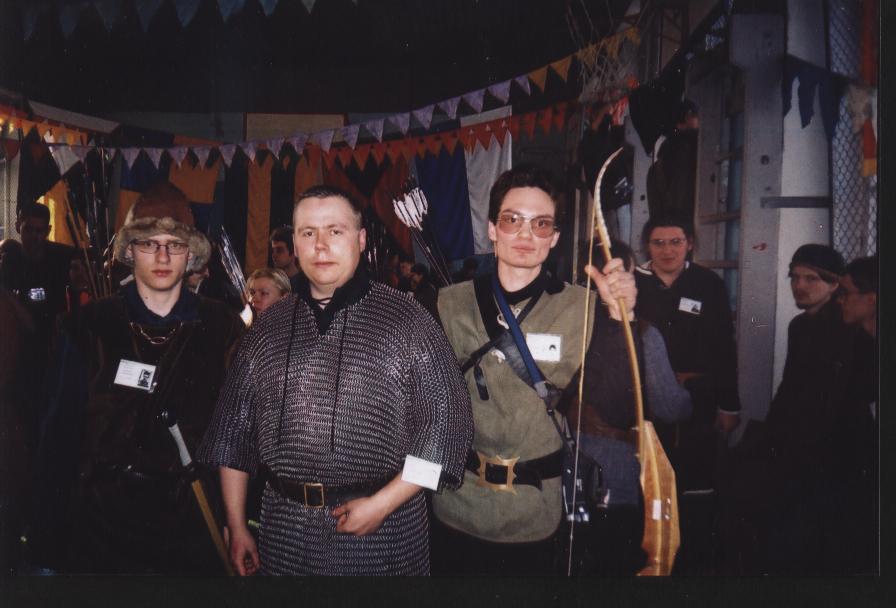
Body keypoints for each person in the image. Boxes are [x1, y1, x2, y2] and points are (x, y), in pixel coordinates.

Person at [198, 184, 473, 576]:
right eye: (308, 232)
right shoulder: (268, 328)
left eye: (335, 231)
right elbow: (233, 433)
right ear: (295, 244)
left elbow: (447, 430)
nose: (321, 245)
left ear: (360, 240)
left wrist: (383, 504)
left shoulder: (407, 321)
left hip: (383, 536)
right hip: (284, 532)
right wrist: (237, 523)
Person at [28, 181, 245, 574]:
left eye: (174, 244)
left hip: (191, 530)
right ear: (130, 251)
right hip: (103, 530)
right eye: (148, 243)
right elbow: (57, 439)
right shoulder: (86, 327)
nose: (162, 256)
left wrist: (236, 520)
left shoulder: (222, 328)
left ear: (190, 254)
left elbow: (237, 437)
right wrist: (47, 542)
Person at [430, 165, 637, 575]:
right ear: (492, 229)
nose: (526, 234)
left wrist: (619, 320)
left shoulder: (581, 309)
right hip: (457, 503)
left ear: (554, 237)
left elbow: (617, 407)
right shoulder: (447, 303)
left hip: (534, 509)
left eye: (541, 224)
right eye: (512, 220)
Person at [565, 238, 693, 575]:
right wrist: (689, 392)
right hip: (615, 472)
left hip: (563, 465)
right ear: (630, 273)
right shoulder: (643, 334)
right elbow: (671, 408)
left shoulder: (564, 328)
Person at [633, 212, 740, 575]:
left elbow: (724, 347)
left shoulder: (708, 284)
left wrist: (729, 405)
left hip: (698, 400)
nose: (668, 251)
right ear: (647, 247)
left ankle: (694, 566)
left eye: (676, 242)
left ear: (690, 244)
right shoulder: (635, 283)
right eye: (659, 243)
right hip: (646, 404)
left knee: (695, 486)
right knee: (648, 485)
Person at [764, 245, 876, 574]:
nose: (799, 286)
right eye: (795, 277)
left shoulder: (851, 326)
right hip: (797, 450)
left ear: (835, 284)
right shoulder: (799, 326)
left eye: (811, 279)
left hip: (837, 454)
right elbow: (790, 387)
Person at [646, 99, 699, 225]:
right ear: (688, 117)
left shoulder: (660, 162)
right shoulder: (694, 149)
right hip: (688, 223)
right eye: (696, 115)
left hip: (669, 226)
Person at [269, 225, 302, 292]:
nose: (274, 255)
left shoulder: (305, 285)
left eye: (279, 250)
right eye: (273, 250)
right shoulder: (270, 282)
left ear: (293, 252)